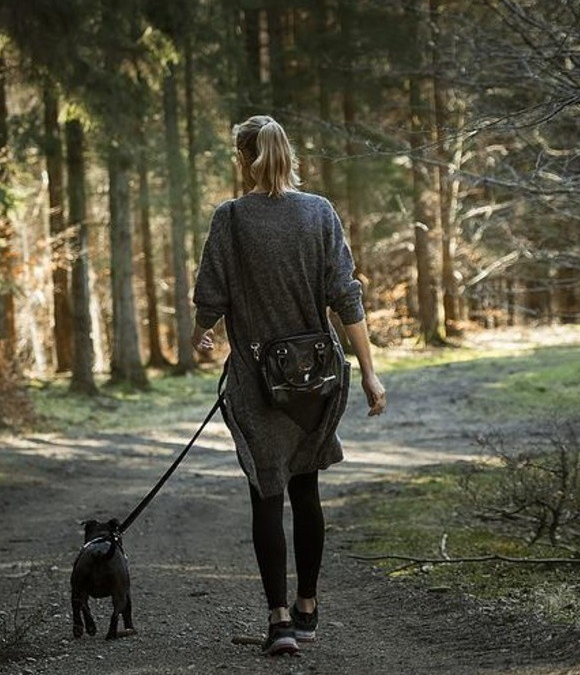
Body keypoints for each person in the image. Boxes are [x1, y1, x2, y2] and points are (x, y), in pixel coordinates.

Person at [191, 115, 387, 656]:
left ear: (242, 158)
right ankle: (307, 609)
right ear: (287, 155)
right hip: (319, 376)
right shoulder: (319, 213)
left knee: (266, 492)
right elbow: (346, 296)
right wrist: (369, 370)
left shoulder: (230, 219)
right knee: (307, 489)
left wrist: (200, 337)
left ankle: (277, 620)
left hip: (257, 379)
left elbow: (210, 296)